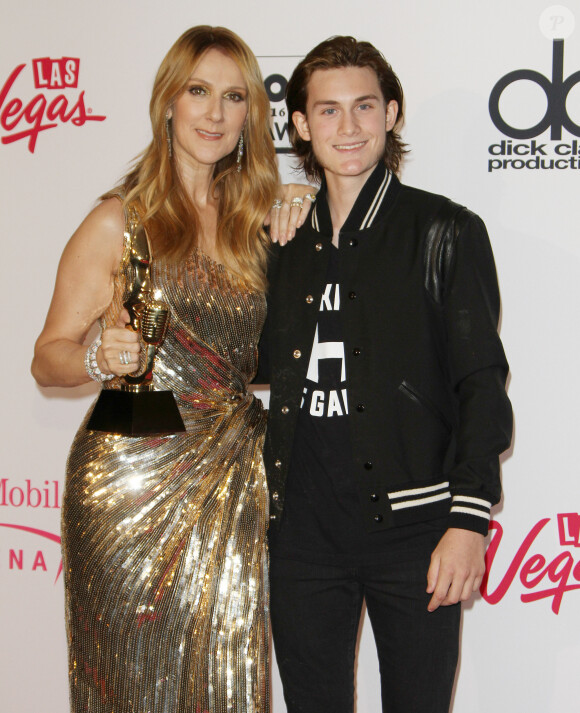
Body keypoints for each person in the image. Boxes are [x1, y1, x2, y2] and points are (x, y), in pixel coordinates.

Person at [31, 26, 311, 713]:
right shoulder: (117, 220)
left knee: (224, 672)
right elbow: (49, 354)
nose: (214, 113)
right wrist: (98, 355)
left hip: (229, 477)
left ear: (251, 116)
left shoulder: (260, 224)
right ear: (167, 104)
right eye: (198, 92)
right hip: (129, 484)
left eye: (233, 96)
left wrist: (307, 204)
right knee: (128, 680)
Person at [257, 36, 513, 713]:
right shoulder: (278, 240)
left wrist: (469, 519)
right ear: (302, 126)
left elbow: (481, 383)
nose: (349, 127)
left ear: (392, 113)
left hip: (417, 531)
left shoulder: (444, 230)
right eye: (329, 111)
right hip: (302, 534)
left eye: (365, 107)